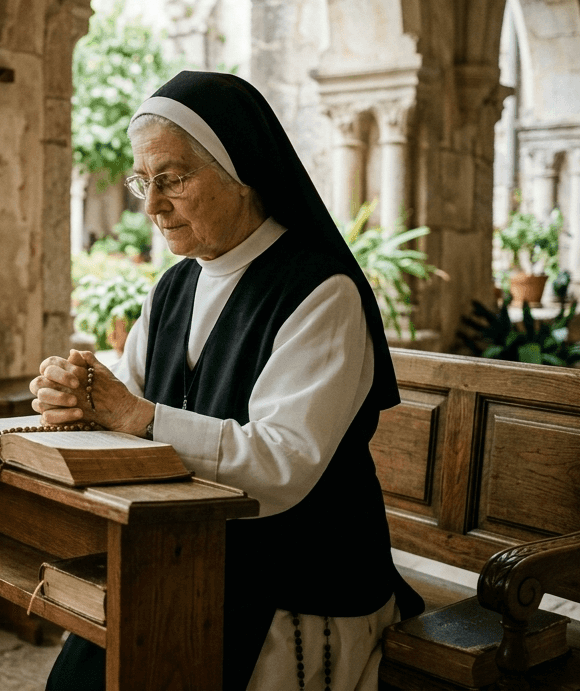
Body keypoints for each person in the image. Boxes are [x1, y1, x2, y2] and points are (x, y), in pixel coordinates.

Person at [31, 72, 422, 691]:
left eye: (173, 178)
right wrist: (75, 397)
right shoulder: (175, 287)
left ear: (242, 173)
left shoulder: (320, 292)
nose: (152, 203)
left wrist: (136, 416)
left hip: (300, 579)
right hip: (184, 558)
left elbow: (283, 462)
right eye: (144, 181)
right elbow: (122, 401)